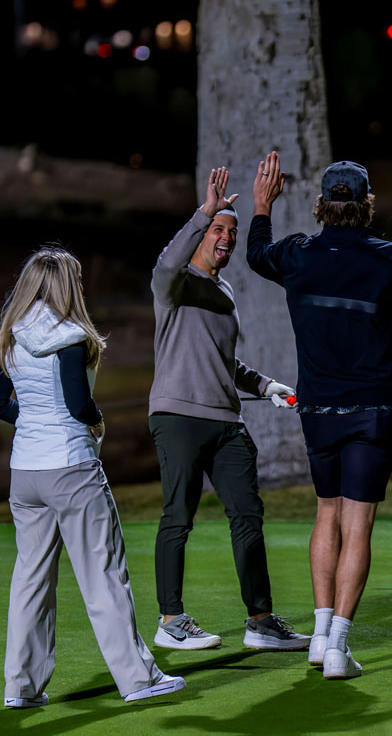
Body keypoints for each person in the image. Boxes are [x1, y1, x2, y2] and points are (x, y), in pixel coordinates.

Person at [247, 152, 392, 678]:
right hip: (373, 414)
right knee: (357, 525)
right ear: (366, 205)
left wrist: (261, 206)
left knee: (327, 512)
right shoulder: (390, 259)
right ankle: (338, 647)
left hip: (318, 411)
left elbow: (255, 255)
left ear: (323, 205)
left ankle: (318, 639)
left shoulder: (298, 255)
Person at [0, 247, 185, 707]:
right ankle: (138, 680)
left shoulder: (10, 336)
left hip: (25, 474)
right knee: (104, 575)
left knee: (30, 581)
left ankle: (21, 688)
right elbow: (78, 403)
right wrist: (96, 421)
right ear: (65, 285)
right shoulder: (71, 335)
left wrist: (32, 417)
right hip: (71, 467)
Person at [149, 166, 307, 651]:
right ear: (202, 233)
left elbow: (226, 363)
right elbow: (164, 264)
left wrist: (266, 385)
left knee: (248, 515)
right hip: (178, 417)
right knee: (178, 515)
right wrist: (205, 210)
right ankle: (171, 620)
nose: (227, 238)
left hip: (225, 421)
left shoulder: (224, 292)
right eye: (220, 229)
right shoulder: (174, 285)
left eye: (232, 232)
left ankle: (260, 622)